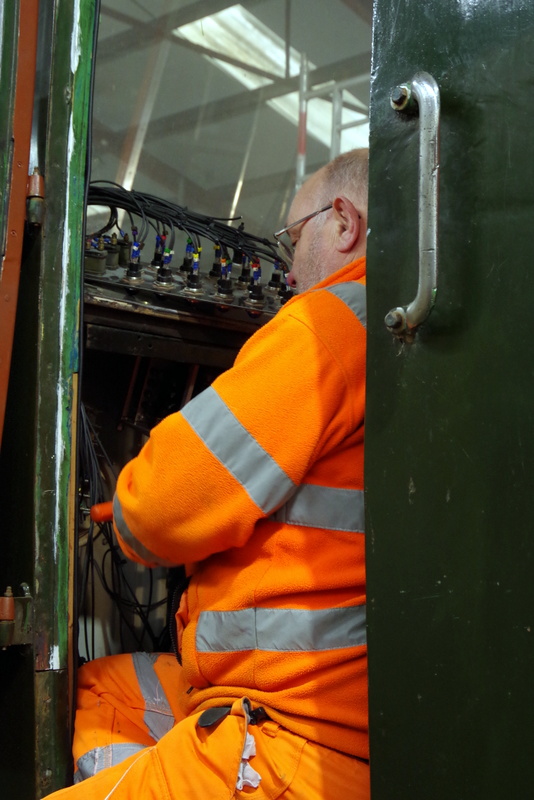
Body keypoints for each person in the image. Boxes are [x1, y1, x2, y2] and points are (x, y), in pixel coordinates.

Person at [45, 147, 370, 800]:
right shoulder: (414, 336)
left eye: (292, 239)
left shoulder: (329, 326)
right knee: (98, 688)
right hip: (354, 718)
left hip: (291, 739)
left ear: (343, 222)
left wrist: (122, 517)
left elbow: (162, 507)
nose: (286, 270)